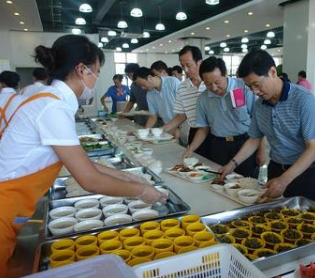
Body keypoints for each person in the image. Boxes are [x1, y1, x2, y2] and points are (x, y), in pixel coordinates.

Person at [0, 35, 166, 274]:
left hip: (11, 204)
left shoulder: (52, 101)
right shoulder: (53, 107)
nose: (97, 79)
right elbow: (88, 180)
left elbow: (82, 162)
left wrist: (130, 178)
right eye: (96, 71)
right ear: (81, 69)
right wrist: (141, 191)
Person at [219, 49, 315, 205]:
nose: (255, 91)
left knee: (311, 222)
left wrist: (285, 180)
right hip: (276, 169)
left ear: (273, 72)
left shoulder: (303, 100)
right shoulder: (260, 105)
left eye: (257, 84)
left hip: (306, 173)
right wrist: (232, 164)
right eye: (250, 87)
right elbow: (254, 138)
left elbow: (314, 148)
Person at [183, 56, 265, 178]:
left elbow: (259, 123)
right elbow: (203, 128)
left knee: (247, 184)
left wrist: (261, 151)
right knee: (219, 182)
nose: (214, 88)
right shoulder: (203, 99)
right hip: (218, 146)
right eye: (208, 84)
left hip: (245, 143)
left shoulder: (244, 88)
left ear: (225, 74)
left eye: (217, 82)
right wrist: (190, 149)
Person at [163, 46, 210, 157]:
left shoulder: (212, 84)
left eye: (188, 65)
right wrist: (159, 132)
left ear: (200, 62)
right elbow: (181, 116)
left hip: (216, 134)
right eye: (182, 66)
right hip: (195, 132)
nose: (185, 70)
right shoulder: (182, 87)